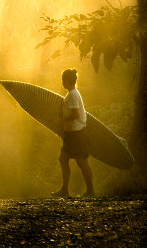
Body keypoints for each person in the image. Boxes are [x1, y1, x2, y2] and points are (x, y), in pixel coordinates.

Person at [51, 68, 95, 198]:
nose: (61, 82)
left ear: (67, 80)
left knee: (82, 162)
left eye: (62, 80)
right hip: (71, 134)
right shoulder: (72, 94)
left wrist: (60, 121)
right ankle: (64, 190)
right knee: (63, 159)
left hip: (77, 133)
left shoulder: (72, 95)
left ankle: (91, 191)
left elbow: (76, 114)